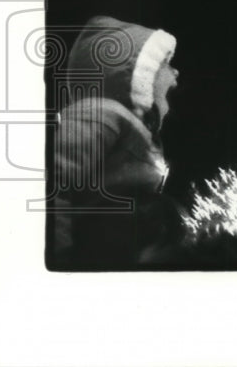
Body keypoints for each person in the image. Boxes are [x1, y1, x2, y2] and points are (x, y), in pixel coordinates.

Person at [50, 15, 180, 268]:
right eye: (166, 62)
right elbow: (55, 184)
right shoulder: (100, 114)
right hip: (97, 253)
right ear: (141, 74)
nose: (176, 71)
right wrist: (61, 256)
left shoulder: (134, 128)